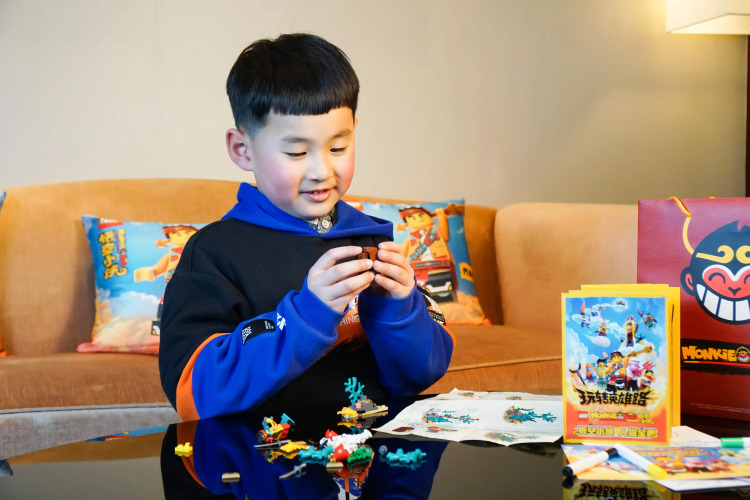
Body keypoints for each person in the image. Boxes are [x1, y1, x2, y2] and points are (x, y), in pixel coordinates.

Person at [158, 33, 454, 421]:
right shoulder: (214, 253)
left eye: (338, 147)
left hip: (373, 448)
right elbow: (195, 394)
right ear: (242, 150)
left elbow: (421, 375)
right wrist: (307, 315)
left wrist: (400, 308)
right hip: (265, 453)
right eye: (297, 152)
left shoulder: (371, 239)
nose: (321, 170)